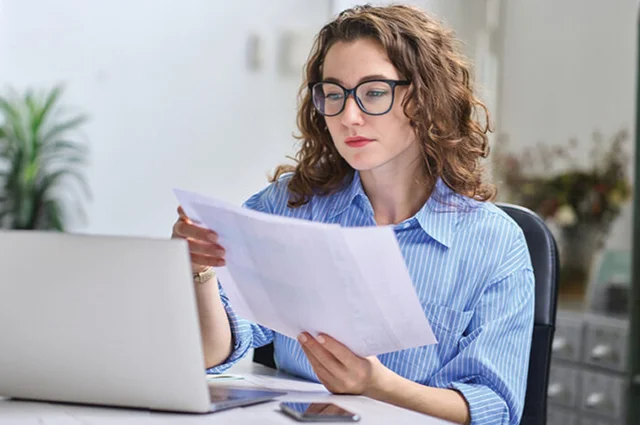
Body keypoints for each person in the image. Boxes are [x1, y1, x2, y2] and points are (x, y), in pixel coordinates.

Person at [171, 4, 534, 425]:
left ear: (425, 99)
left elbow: (495, 409)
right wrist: (200, 272)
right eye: (334, 93)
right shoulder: (289, 206)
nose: (348, 116)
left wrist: (376, 384)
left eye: (374, 92)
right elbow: (213, 354)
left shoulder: (496, 244)